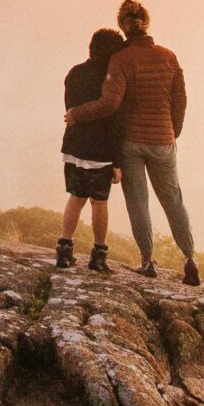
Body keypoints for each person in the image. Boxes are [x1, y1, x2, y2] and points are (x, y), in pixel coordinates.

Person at [63, 0, 201, 285]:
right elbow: (180, 100)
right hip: (163, 139)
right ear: (146, 23)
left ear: (123, 26)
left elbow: (109, 103)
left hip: (131, 142)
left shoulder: (121, 59)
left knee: (138, 202)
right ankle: (190, 259)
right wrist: (172, 131)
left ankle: (147, 262)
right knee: (173, 199)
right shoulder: (169, 56)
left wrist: (76, 113)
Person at [58, 27, 126, 270]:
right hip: (100, 151)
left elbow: (70, 109)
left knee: (76, 198)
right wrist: (118, 162)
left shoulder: (75, 72)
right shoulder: (110, 80)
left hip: (74, 146)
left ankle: (64, 250)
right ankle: (98, 255)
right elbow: (114, 122)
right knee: (99, 202)